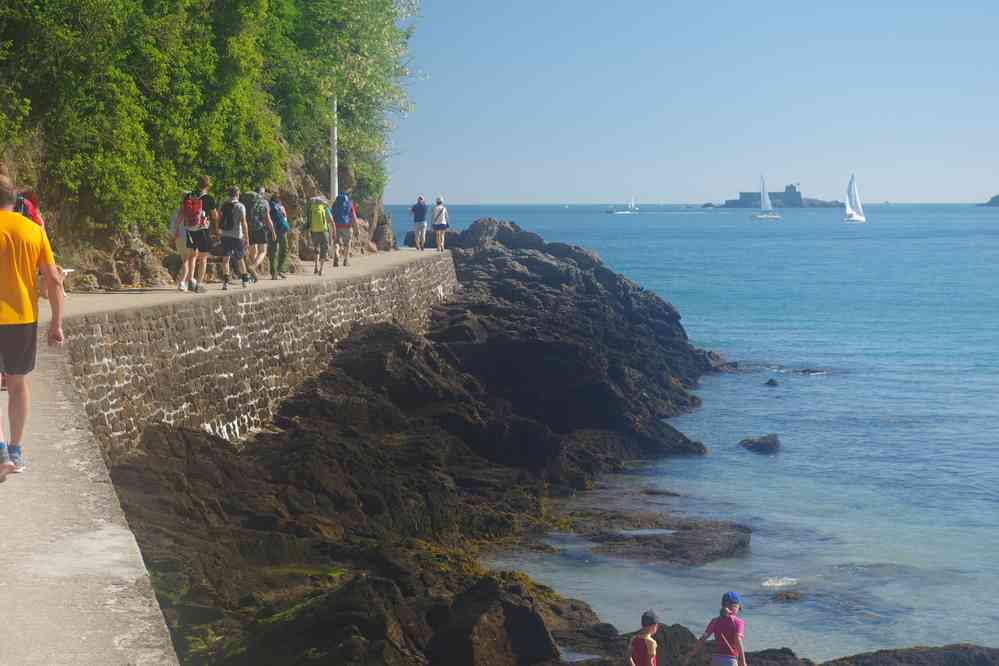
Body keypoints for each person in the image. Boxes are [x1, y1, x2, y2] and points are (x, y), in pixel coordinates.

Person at [0, 174, 64, 481]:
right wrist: (56, 323)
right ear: (15, 200)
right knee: (18, 384)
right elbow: (52, 279)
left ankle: (0, 453)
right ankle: (15, 450)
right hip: (23, 318)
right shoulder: (33, 230)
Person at [685, 592, 748, 666]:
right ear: (735, 606)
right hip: (730, 660)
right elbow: (738, 641)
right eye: (738, 607)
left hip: (716, 659)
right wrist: (743, 661)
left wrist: (690, 655)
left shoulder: (715, 621)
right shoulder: (738, 622)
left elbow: (703, 639)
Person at [183, 175, 219, 292]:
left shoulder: (188, 196)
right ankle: (198, 283)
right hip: (203, 230)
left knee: (192, 255)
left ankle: (190, 281)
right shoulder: (209, 198)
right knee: (203, 258)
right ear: (208, 185)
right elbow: (214, 216)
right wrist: (217, 230)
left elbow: (183, 211)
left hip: (190, 229)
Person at [217, 186, 251, 290]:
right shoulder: (240, 206)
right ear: (237, 194)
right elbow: (244, 223)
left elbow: (219, 219)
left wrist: (218, 233)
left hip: (225, 235)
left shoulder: (223, 205)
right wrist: (247, 237)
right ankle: (245, 280)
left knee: (225, 258)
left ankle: (225, 282)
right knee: (240, 258)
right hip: (237, 236)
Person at [245, 187, 274, 282]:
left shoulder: (248, 201)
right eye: (264, 193)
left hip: (249, 228)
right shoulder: (264, 202)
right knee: (263, 251)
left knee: (253, 251)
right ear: (262, 193)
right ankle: (253, 267)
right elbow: (268, 218)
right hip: (260, 228)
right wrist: (273, 231)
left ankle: (253, 275)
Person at [306, 196, 332, 275]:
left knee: (316, 249)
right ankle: (321, 269)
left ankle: (316, 267)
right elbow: (330, 219)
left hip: (314, 231)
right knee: (323, 250)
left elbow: (308, 220)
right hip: (323, 231)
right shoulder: (324, 208)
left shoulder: (311, 209)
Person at [267, 192, 290, 280]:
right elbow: (285, 218)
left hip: (272, 230)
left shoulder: (270, 206)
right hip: (281, 230)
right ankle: (278, 270)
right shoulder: (279, 207)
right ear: (277, 199)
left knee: (273, 251)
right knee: (284, 249)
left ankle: (274, 273)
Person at [332, 190, 356, 267]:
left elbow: (332, 214)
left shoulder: (335, 203)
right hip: (347, 226)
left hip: (337, 225)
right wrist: (356, 227)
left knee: (336, 242)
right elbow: (353, 216)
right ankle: (345, 260)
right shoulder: (349, 203)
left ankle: (337, 253)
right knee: (347, 243)